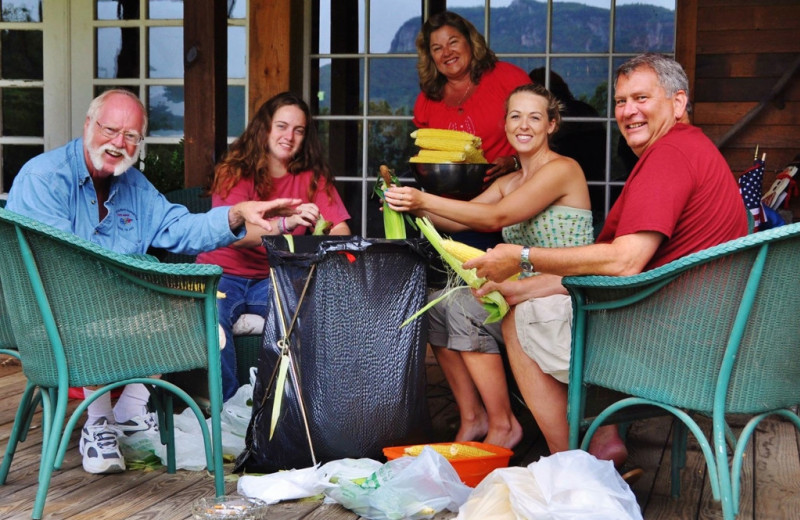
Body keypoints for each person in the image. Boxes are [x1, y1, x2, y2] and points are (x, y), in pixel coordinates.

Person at [463, 54, 749, 468]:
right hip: (699, 330)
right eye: (620, 101)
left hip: (675, 348)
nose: (628, 111)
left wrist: (522, 256)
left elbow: (623, 262)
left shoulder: (671, 155)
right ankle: (596, 443)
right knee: (520, 300)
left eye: (641, 98)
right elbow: (610, 268)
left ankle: (572, 464)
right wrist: (520, 284)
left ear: (678, 102)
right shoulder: (685, 149)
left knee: (517, 317)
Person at [5, 89, 302, 475]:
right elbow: (61, 265)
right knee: (119, 286)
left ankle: (128, 409)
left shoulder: (132, 185)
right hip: (48, 315)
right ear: (88, 125)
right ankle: (98, 423)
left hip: (105, 310)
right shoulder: (44, 177)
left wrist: (236, 216)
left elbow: (178, 227)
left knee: (181, 303)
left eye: (131, 136)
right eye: (110, 130)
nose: (118, 144)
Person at [385, 83, 593, 449]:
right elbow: (459, 222)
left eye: (535, 117)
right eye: (515, 116)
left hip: (563, 292)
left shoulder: (563, 169)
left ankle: (511, 429)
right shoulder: (509, 181)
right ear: (505, 124)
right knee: (440, 306)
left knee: (469, 305)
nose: (524, 125)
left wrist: (423, 199)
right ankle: (480, 419)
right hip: (520, 293)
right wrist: (404, 200)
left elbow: (495, 216)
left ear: (552, 125)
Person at [196, 92, 351, 401]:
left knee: (310, 315)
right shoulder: (235, 170)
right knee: (212, 321)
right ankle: (225, 409)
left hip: (272, 275)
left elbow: (341, 227)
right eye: (281, 126)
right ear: (264, 128)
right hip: (221, 272)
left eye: (299, 130)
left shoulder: (313, 177)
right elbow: (236, 234)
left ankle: (287, 408)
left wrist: (329, 240)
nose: (289, 136)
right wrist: (287, 224)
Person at [413, 11, 531, 250]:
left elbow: (541, 135)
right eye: (437, 48)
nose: (447, 53)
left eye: (453, 42)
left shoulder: (508, 78)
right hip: (450, 216)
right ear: (430, 57)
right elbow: (426, 158)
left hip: (507, 214)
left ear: (470, 42)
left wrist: (515, 161)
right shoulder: (426, 100)